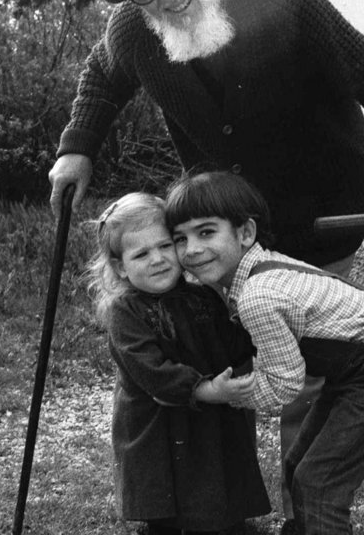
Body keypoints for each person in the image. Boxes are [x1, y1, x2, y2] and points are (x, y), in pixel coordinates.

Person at [48, 0, 364, 529]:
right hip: (222, 228)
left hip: (319, 215)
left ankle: (310, 510)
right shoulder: (133, 27)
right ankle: (229, 504)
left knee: (310, 364)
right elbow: (102, 75)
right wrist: (77, 147)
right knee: (234, 349)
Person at [164, 170, 364, 535]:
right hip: (355, 373)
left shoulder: (258, 295)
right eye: (180, 239)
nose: (192, 249)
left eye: (206, 232)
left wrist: (222, 394)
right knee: (297, 465)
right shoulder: (261, 268)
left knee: (320, 485)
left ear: (246, 233)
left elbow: (284, 384)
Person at [87, 191, 271, 535]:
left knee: (219, 488)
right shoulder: (126, 311)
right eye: (141, 254)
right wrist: (203, 388)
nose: (157, 259)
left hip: (211, 419)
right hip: (159, 424)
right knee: (167, 507)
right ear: (120, 267)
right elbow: (149, 369)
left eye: (165, 245)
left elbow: (233, 344)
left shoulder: (203, 295)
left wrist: (257, 322)